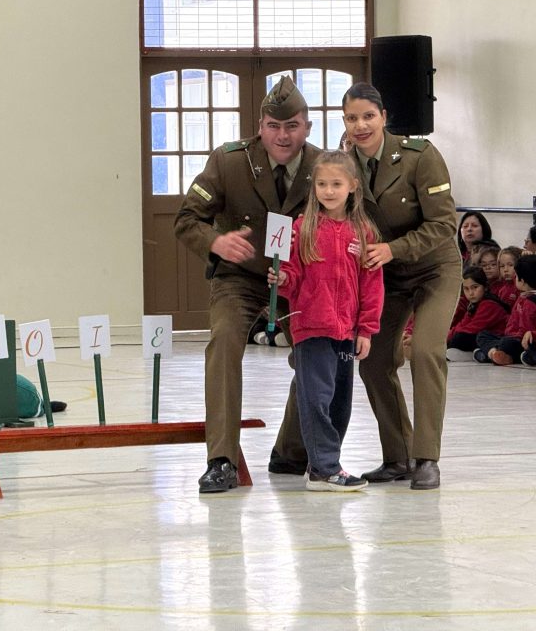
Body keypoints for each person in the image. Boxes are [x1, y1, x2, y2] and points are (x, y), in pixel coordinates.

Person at [272, 82, 461, 491]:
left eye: (368, 117)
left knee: (426, 351)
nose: (360, 125)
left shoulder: (419, 156)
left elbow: (445, 224)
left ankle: (427, 458)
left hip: (432, 268)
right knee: (373, 360)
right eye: (352, 118)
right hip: (382, 272)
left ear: (384, 117)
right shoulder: (341, 165)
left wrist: (394, 249)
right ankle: (399, 456)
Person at [175, 75, 319, 493]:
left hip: (298, 281)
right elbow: (187, 219)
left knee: (316, 354)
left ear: (307, 126)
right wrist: (216, 242)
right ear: (260, 126)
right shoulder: (229, 161)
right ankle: (221, 458)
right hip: (240, 277)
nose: (282, 135)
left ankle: (291, 450)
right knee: (223, 343)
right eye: (273, 126)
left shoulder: (324, 168)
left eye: (292, 125)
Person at [267, 150, 384, 492]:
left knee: (339, 402)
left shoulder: (363, 233)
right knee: (315, 398)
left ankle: (325, 463)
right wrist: (281, 279)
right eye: (322, 184)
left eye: (336, 184)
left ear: (353, 187)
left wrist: (366, 329)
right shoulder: (302, 230)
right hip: (311, 329)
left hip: (345, 332)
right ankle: (324, 467)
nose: (329, 191)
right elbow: (291, 277)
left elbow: (371, 285)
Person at [475, 254, 536, 366]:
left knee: (507, 343)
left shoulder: (531, 302)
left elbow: (525, 330)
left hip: (521, 340)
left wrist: (510, 335)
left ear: (522, 281)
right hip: (511, 335)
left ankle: (492, 353)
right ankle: (495, 353)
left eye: (516, 276)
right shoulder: (524, 295)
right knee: (483, 335)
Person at [446, 266, 507, 362]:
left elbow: (473, 328)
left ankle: (477, 353)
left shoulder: (489, 304)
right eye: (466, 289)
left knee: (460, 338)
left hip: (496, 338)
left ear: (485, 287)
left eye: (475, 287)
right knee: (454, 337)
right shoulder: (473, 304)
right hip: (478, 335)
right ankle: (476, 353)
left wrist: (451, 338)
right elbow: (463, 324)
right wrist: (445, 337)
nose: (471, 293)